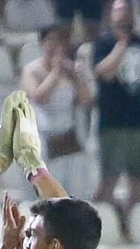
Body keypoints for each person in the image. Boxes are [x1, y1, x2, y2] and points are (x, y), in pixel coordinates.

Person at [92, 0, 140, 242]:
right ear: (111, 14)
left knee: (138, 180)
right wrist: (121, 46)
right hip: (114, 122)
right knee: (109, 178)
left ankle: (131, 226)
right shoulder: (104, 42)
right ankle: (99, 225)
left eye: (127, 10)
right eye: (118, 10)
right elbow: (104, 74)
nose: (123, 15)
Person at [22, 26, 96, 200]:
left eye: (58, 41)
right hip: (43, 137)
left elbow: (86, 98)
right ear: (42, 44)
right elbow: (39, 97)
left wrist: (73, 75)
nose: (54, 46)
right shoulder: (32, 70)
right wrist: (55, 72)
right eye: (50, 41)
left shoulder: (71, 70)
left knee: (71, 192)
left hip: (68, 136)